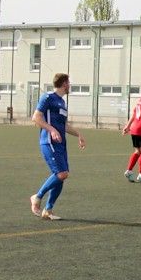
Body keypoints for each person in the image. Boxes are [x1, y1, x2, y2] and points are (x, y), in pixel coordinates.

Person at [29, 73, 86, 220]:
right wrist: (52, 129)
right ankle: (37, 196)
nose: (70, 85)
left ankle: (48, 210)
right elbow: (36, 117)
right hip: (49, 142)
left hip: (60, 144)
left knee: (62, 175)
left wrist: (78, 135)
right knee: (62, 174)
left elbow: (64, 126)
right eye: (69, 82)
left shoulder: (62, 103)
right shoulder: (48, 98)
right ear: (64, 84)